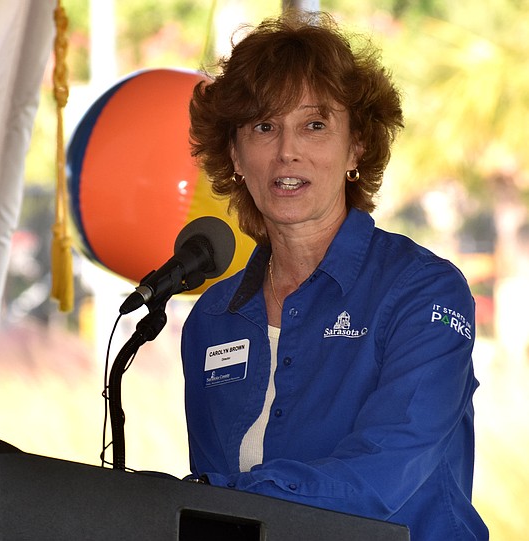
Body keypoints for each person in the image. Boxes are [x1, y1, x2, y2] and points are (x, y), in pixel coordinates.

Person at [182, 10, 488, 540]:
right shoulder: (212, 318)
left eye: (315, 125)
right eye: (263, 127)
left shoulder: (425, 292)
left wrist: (220, 496)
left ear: (356, 147)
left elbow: (379, 479)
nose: (287, 151)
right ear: (234, 154)